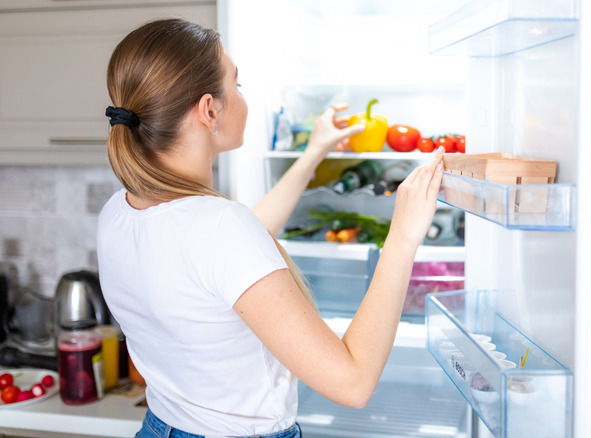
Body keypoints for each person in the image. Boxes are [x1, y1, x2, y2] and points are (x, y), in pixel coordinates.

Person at [97, 18, 444, 438]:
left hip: (159, 428)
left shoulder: (119, 211)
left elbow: (230, 262)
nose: (241, 96)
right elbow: (352, 383)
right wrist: (403, 237)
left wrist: (313, 152)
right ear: (209, 110)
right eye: (236, 85)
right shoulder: (217, 227)